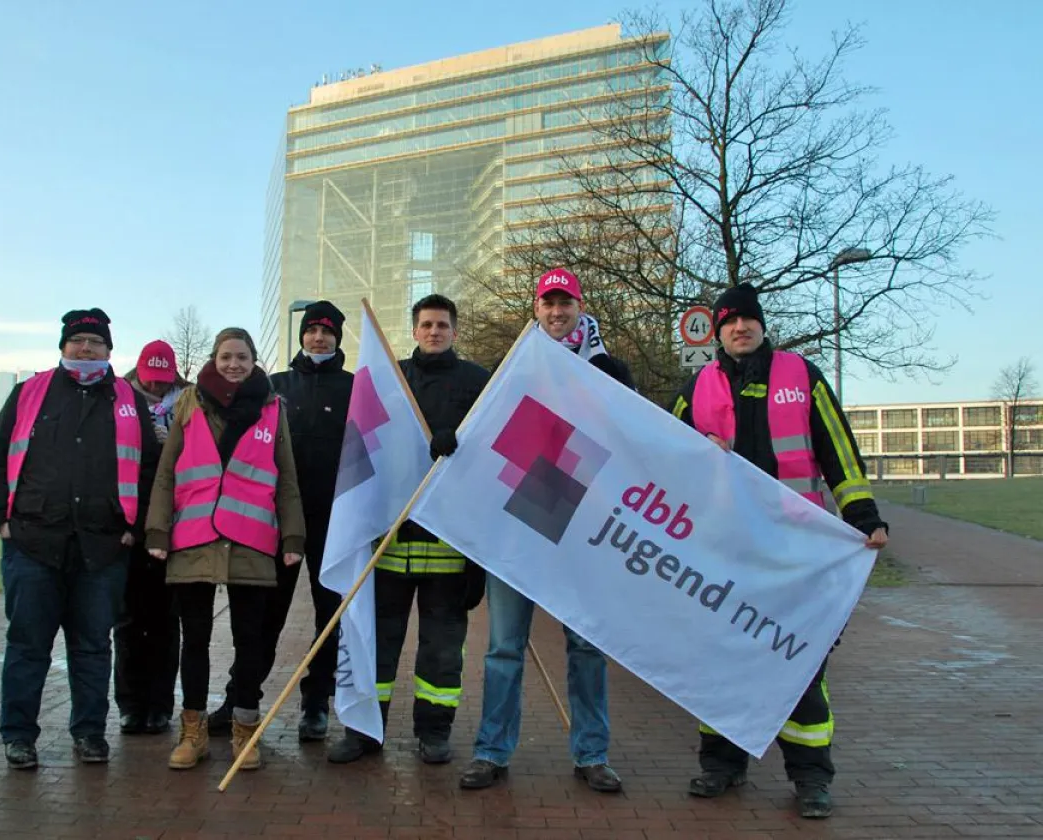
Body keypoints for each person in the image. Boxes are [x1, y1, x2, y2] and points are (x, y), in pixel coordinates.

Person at [669, 282, 889, 819]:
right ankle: (722, 764)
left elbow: (838, 449)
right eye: (729, 322)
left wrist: (861, 514)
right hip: (725, 550)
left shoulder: (801, 376)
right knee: (721, 656)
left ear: (761, 326)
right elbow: (662, 456)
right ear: (717, 331)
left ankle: (811, 777)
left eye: (747, 320)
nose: (739, 328)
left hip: (794, 551)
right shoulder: (694, 388)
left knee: (798, 657)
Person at [459, 268, 634, 794]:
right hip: (519, 524)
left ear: (581, 307)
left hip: (584, 531)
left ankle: (592, 753)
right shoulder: (512, 365)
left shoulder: (611, 369)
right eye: (548, 302)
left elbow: (636, 444)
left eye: (566, 302)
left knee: (586, 648)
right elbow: (484, 435)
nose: (557, 311)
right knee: (504, 648)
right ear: (535, 309)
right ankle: (491, 751)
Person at [0, 308, 160, 770]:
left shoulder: (127, 399)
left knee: (93, 647)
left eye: (95, 343)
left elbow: (151, 470)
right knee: (27, 646)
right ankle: (18, 735)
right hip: (33, 544)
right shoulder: (29, 393)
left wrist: (133, 530)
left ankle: (90, 733)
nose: (85, 349)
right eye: (77, 341)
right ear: (63, 346)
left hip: (101, 549)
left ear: (108, 351)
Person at [327, 294, 489, 766]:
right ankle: (364, 730)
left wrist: (461, 444)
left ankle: (434, 733)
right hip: (389, 541)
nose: (434, 331)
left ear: (454, 331)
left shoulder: (480, 383)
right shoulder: (387, 380)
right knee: (376, 646)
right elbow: (366, 444)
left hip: (449, 545)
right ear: (414, 331)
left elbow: (488, 450)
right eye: (426, 324)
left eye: (442, 325)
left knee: (442, 654)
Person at [144, 327, 306, 772]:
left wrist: (293, 537)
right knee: (194, 639)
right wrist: (157, 532)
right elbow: (167, 471)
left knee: (249, 641)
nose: (233, 364)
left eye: (242, 357)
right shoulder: (188, 403)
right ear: (213, 359)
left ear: (255, 360)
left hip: (252, 540)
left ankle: (244, 731)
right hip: (193, 539)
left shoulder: (274, 409)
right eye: (225, 356)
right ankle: (193, 732)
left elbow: (286, 477)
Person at [207, 302, 352, 742]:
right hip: (278, 519)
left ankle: (315, 703)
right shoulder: (274, 387)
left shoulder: (355, 387)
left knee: (331, 614)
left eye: (327, 332)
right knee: (265, 616)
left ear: (338, 339)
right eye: (312, 331)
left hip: (333, 518)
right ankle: (240, 697)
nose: (319, 339)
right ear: (302, 336)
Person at [113, 340, 188, 736]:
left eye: (164, 382)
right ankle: (129, 703)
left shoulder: (191, 404)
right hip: (129, 527)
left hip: (174, 529)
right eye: (150, 381)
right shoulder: (118, 401)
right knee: (127, 622)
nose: (157, 390)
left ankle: (159, 704)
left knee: (165, 622)